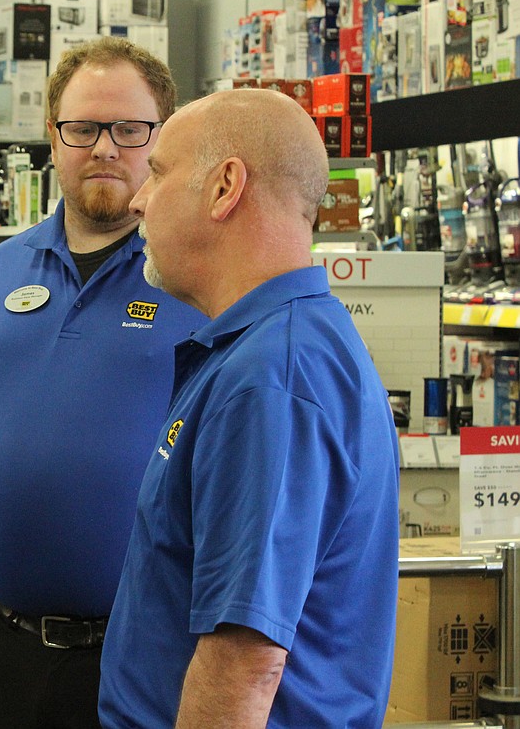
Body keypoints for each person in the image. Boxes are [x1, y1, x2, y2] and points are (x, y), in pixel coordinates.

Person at [0, 37, 207, 728]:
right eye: (83, 128)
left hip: (153, 654)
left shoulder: (201, 281)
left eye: (129, 129)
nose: (105, 148)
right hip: (11, 652)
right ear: (52, 141)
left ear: (162, 139)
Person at [99, 88, 399, 728]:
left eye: (157, 171)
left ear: (224, 187)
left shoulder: (271, 378)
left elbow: (243, 664)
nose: (138, 200)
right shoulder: (279, 349)